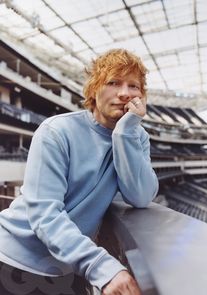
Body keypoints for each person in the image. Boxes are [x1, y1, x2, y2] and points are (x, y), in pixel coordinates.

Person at [0, 48, 158, 295]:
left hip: (67, 265)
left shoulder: (136, 136)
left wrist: (125, 133)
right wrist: (101, 266)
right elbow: (45, 214)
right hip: (15, 260)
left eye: (134, 86)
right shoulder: (56, 131)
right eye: (113, 82)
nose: (125, 93)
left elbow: (141, 196)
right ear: (94, 89)